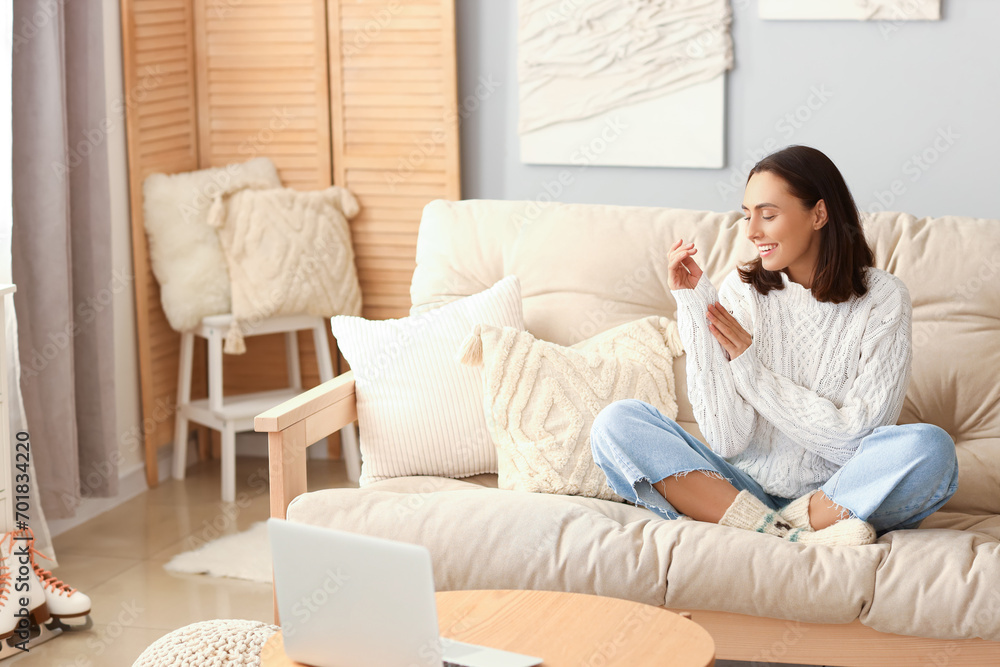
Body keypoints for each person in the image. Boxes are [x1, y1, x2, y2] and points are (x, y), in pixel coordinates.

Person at [589, 145, 959, 546]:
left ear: (818, 214)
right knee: (617, 423)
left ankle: (776, 526)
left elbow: (855, 440)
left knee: (930, 448)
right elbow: (727, 439)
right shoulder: (741, 292)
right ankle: (789, 533)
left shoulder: (883, 299)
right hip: (742, 488)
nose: (751, 232)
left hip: (840, 494)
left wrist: (752, 370)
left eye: (768, 215)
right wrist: (694, 308)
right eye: (748, 216)